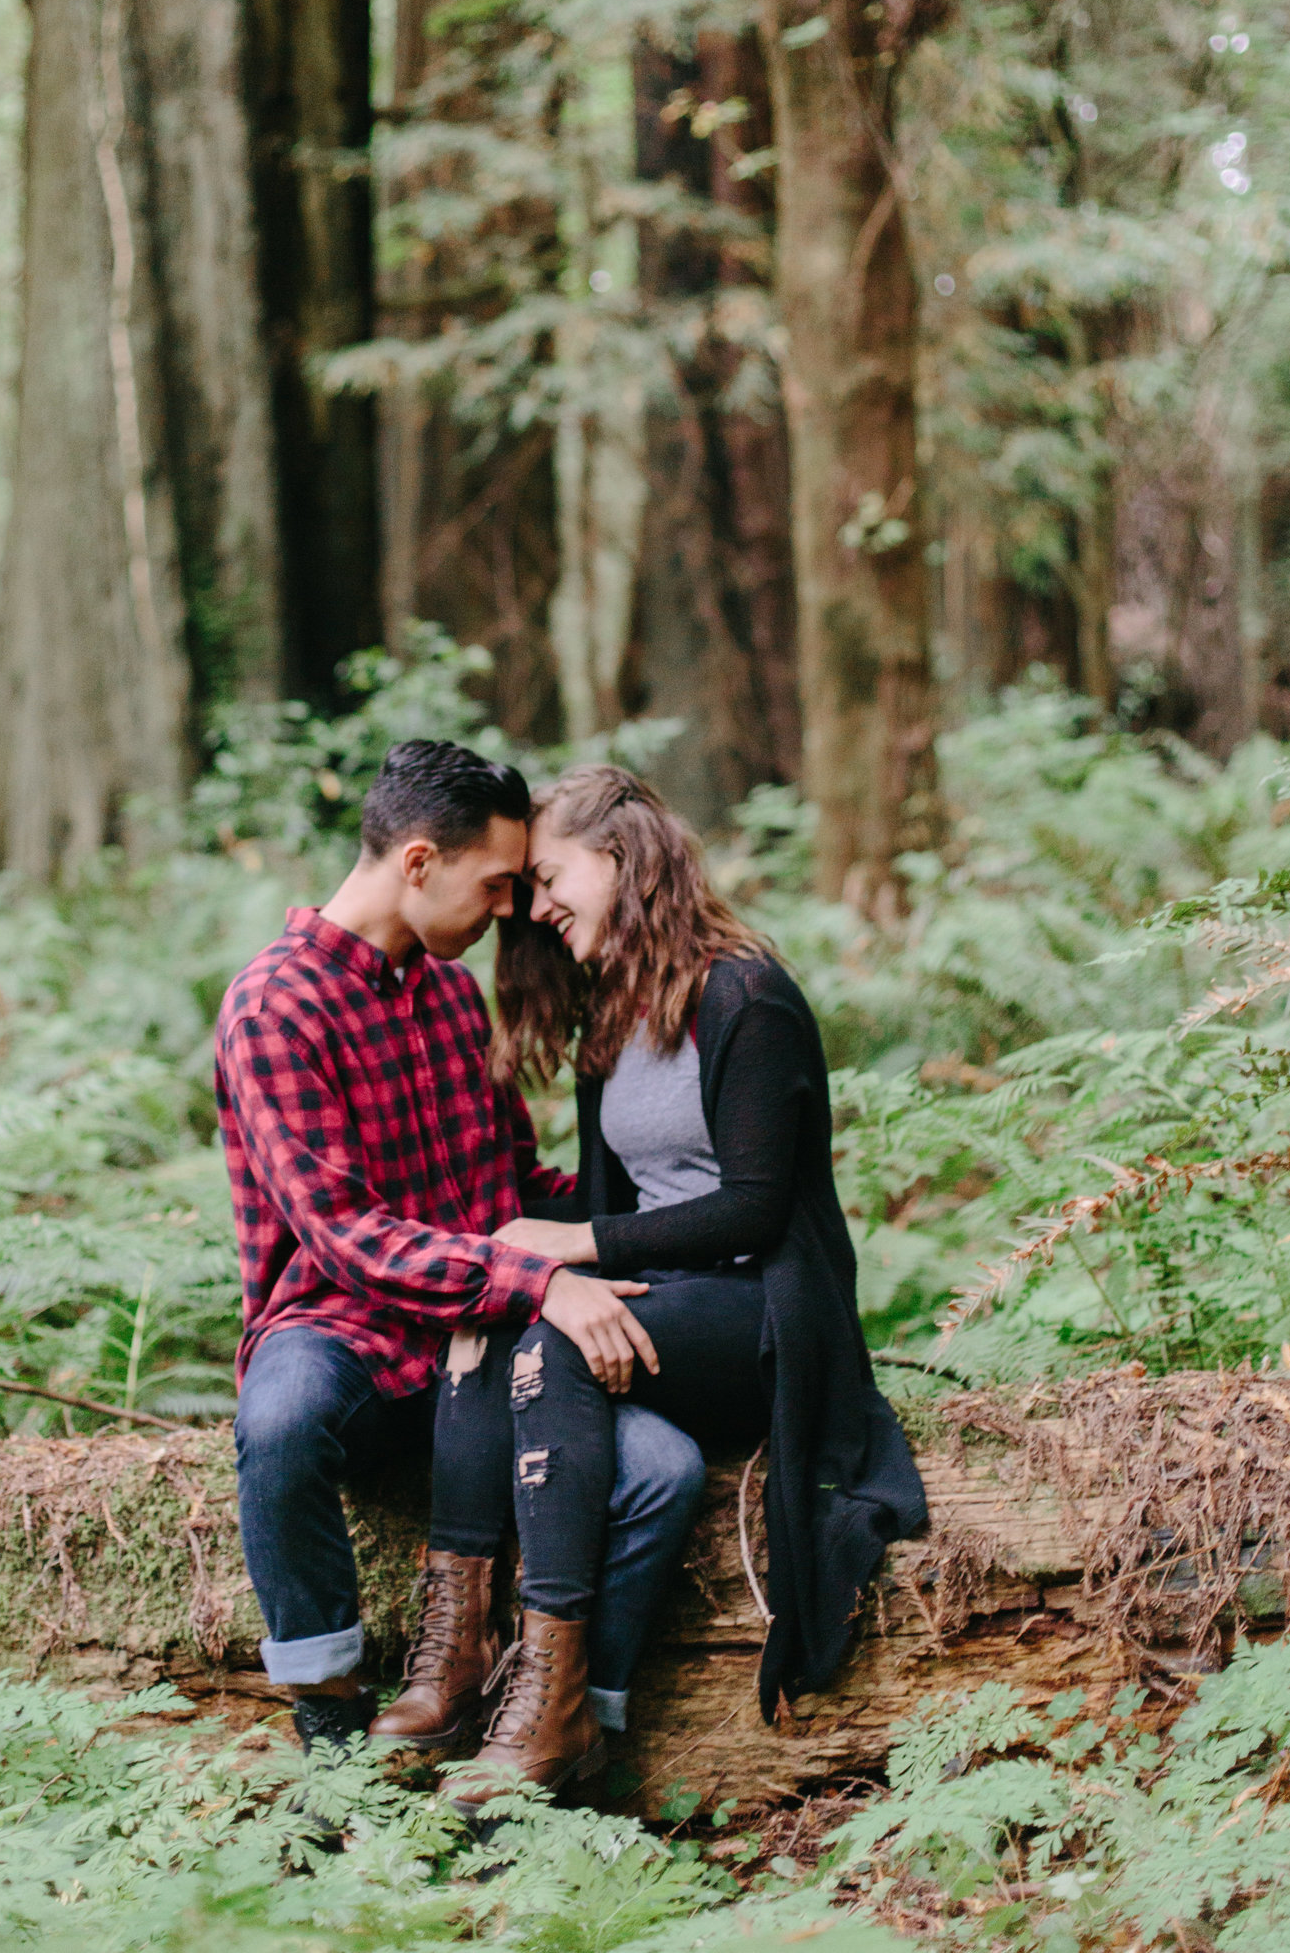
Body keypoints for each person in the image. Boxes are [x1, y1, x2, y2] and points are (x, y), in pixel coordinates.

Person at [394, 764, 926, 1806]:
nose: (535, 909)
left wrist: (570, 1244)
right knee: (491, 1320)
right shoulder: (617, 1014)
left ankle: (555, 1700)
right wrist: (539, 1266)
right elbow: (617, 1200)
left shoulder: (744, 995)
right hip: (670, 1300)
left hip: (761, 1307)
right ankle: (457, 1652)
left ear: (621, 859)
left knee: (547, 1336)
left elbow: (756, 1209)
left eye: (549, 879)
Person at [216, 739, 706, 1755]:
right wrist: (540, 1285)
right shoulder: (275, 1006)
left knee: (661, 1471)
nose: (509, 911)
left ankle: (572, 1727)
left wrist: (673, 1215)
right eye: (492, 885)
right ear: (416, 863)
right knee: (280, 1419)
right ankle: (328, 1726)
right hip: (352, 1336)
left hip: (483, 1355)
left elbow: (514, 1182)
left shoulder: (447, 996)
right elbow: (347, 1239)